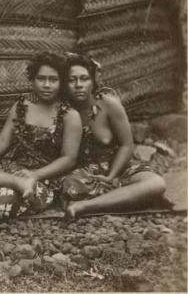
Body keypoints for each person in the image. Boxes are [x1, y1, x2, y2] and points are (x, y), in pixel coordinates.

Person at [0, 53, 82, 219]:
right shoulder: (22, 105)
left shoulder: (69, 115)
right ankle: (15, 184)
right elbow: (2, 142)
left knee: (2, 203)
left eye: (53, 80)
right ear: (32, 80)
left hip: (42, 177)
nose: (46, 85)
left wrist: (35, 175)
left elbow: (69, 159)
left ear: (61, 82)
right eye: (41, 79)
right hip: (9, 170)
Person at [61, 54, 166, 217]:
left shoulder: (108, 104)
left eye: (84, 79)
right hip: (84, 173)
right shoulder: (62, 109)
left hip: (118, 166)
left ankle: (85, 206)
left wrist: (112, 176)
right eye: (71, 80)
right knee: (70, 186)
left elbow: (126, 145)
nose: (79, 85)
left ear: (93, 81)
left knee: (156, 184)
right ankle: (117, 197)